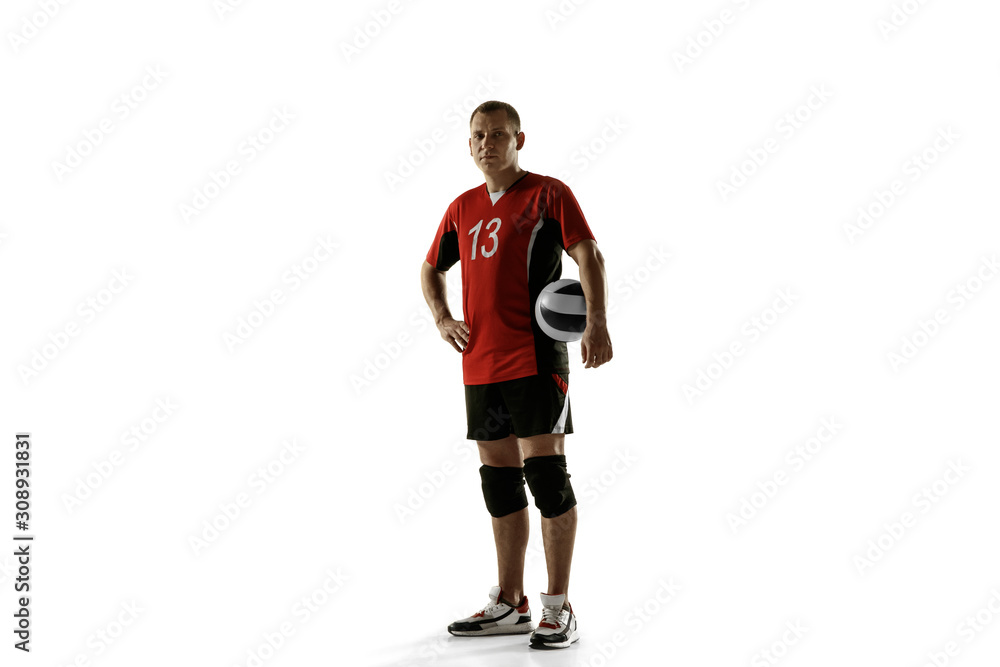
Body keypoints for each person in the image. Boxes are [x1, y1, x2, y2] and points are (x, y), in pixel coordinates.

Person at [420, 100, 612, 650]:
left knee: (547, 478)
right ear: (469, 143)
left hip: (535, 357)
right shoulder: (461, 208)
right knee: (499, 482)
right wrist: (442, 318)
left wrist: (596, 323)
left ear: (519, 140)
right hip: (479, 361)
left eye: (498, 135)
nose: (487, 144)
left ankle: (558, 606)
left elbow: (589, 255)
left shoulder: (550, 193)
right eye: (478, 135)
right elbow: (430, 268)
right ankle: (510, 601)